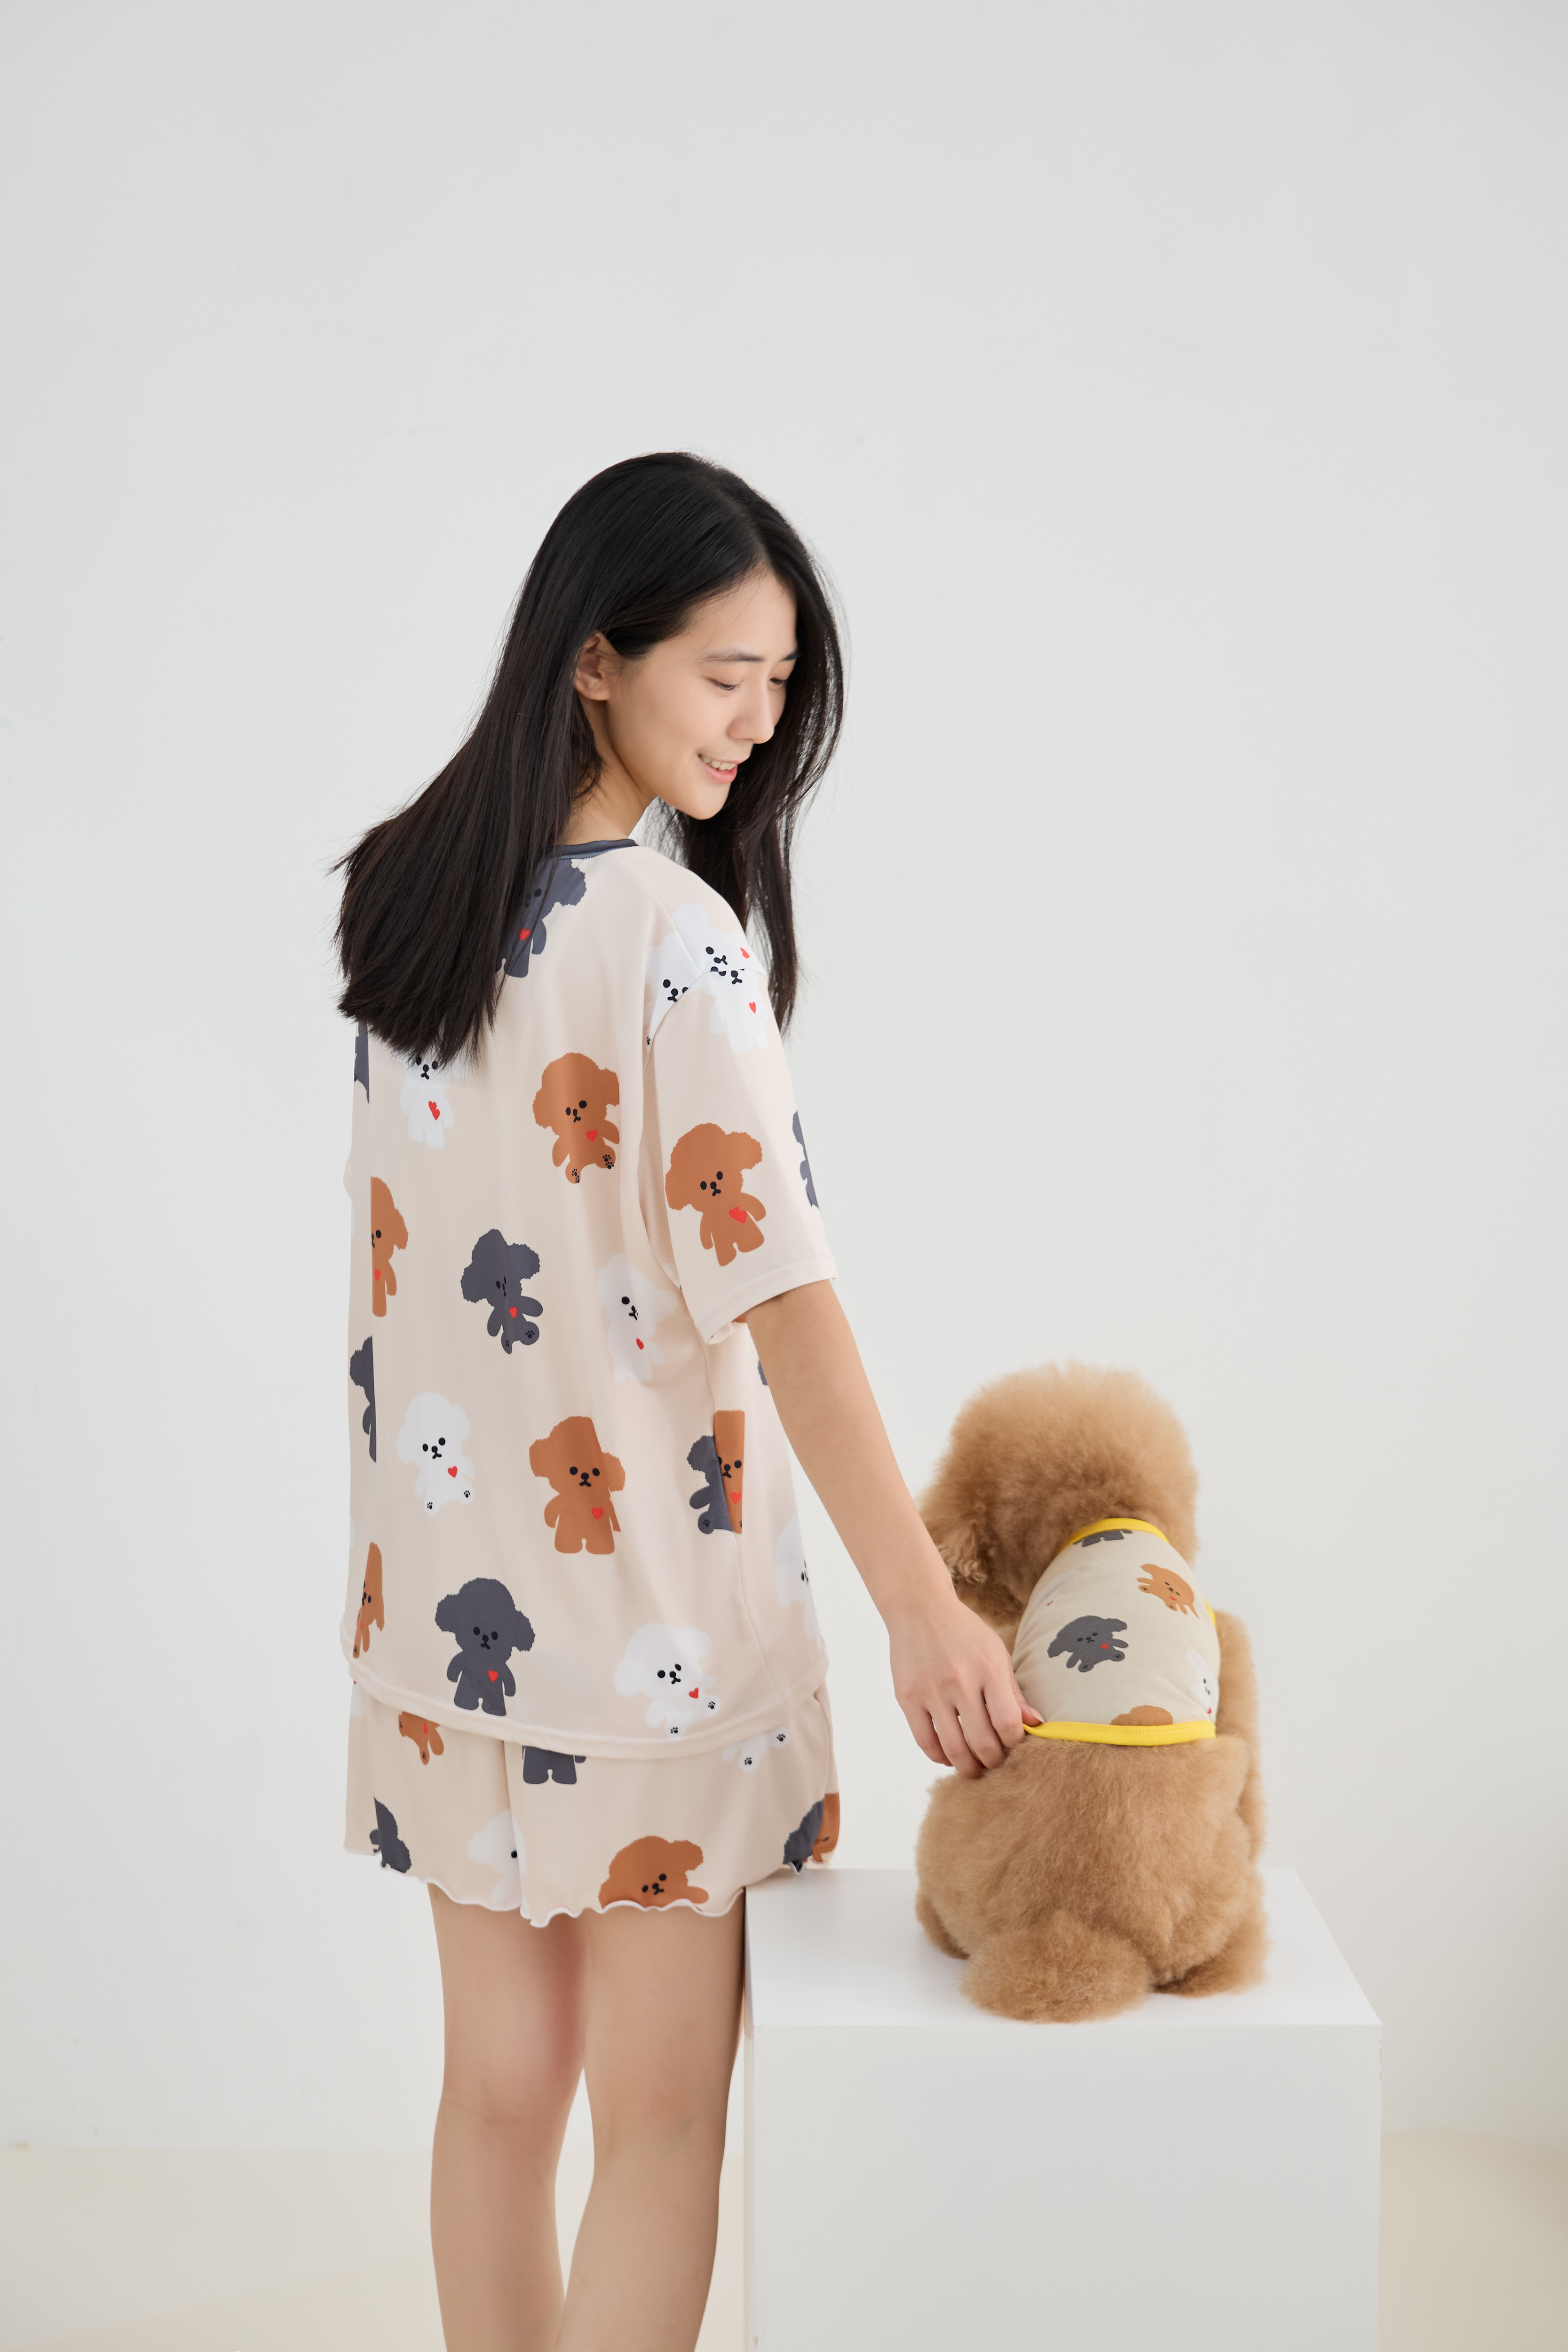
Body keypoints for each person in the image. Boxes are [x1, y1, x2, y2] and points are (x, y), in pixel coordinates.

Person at [334, 452, 1032, 2352]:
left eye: (780, 683)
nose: (758, 722)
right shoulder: (672, 939)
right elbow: (785, 1305)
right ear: (596, 658)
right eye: (725, 674)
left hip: (446, 1633)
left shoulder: (411, 903)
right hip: (656, 1653)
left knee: (496, 2104)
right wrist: (919, 1604)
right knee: (658, 2129)